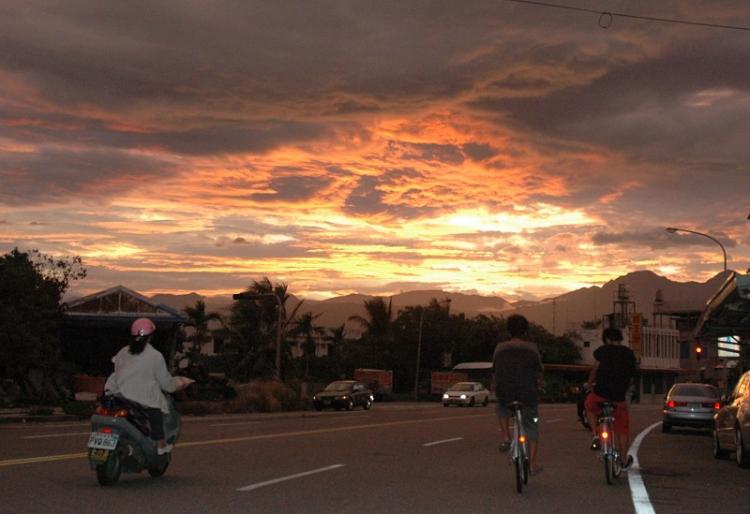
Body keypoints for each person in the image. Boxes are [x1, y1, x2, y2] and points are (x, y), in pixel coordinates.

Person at [105, 318, 180, 455]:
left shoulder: (123, 352)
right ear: (150, 337)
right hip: (141, 399)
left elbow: (117, 370)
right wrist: (177, 385)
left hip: (119, 394)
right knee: (155, 409)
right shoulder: (155, 356)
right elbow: (166, 383)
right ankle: (160, 444)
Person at [493, 314, 544, 475]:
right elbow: (538, 371)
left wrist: (495, 385)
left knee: (501, 407)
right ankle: (532, 464)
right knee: (532, 426)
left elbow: (496, 370)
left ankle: (506, 437)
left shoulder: (500, 347)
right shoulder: (532, 348)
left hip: (505, 392)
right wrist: (541, 383)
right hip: (528, 393)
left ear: (509, 330)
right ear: (525, 330)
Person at [584, 327, 637, 469]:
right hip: (619, 397)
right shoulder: (628, 353)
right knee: (622, 428)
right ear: (620, 339)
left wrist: (589, 384)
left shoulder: (602, 351)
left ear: (607, 339)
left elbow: (595, 370)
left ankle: (595, 435)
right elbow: (632, 377)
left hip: (600, 394)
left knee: (589, 405)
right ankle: (623, 460)